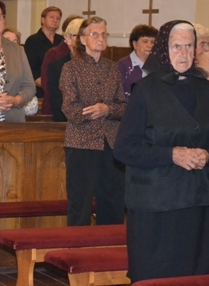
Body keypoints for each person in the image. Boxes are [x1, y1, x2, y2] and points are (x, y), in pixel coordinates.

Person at [114, 20, 209, 282]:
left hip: (196, 200)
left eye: (189, 46)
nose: (184, 53)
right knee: (159, 277)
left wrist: (208, 155)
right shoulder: (145, 90)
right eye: (177, 46)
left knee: (197, 276)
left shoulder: (203, 87)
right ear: (164, 49)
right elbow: (124, 148)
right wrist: (172, 154)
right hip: (156, 204)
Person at [59, 16, 127, 226]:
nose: (100, 38)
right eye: (95, 34)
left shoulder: (112, 68)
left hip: (111, 143)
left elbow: (123, 106)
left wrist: (107, 109)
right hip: (82, 142)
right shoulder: (71, 68)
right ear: (82, 39)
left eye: (104, 34)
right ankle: (77, 245)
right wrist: (93, 111)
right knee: (80, 203)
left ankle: (109, 244)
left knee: (113, 201)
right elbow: (69, 108)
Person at [40, 14, 82, 114]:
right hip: (56, 110)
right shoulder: (54, 54)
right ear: (66, 35)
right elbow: (47, 85)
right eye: (77, 34)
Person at [24, 6, 63, 98]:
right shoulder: (33, 40)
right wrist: (48, 86)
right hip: (40, 90)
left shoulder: (62, 40)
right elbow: (30, 68)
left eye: (58, 18)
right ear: (42, 20)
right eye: (52, 17)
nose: (55, 20)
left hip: (61, 89)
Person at [3, 28, 38, 115]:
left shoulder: (21, 60)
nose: (11, 43)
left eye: (14, 41)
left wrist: (17, 99)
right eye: (7, 40)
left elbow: (29, 86)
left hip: (17, 107)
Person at [117, 24, 158, 100]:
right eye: (145, 41)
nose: (150, 45)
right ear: (135, 44)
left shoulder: (158, 65)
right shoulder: (122, 65)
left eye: (152, 42)